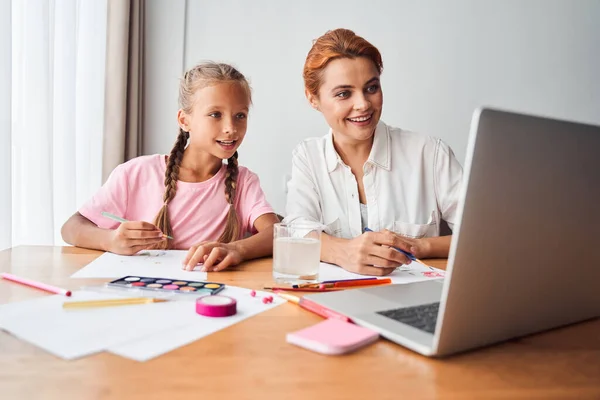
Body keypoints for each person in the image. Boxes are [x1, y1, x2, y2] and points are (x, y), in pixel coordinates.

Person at [61, 61, 279, 272]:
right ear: (184, 120)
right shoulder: (135, 173)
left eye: (240, 115)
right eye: (215, 114)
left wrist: (237, 249)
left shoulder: (244, 182)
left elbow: (277, 233)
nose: (231, 127)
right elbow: (71, 228)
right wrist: (110, 240)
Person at [284, 29, 463, 276]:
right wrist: (343, 252)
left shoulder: (430, 154)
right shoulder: (308, 157)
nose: (363, 104)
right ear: (313, 98)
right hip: (336, 300)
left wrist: (419, 245)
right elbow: (296, 229)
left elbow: (482, 235)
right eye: (344, 93)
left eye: (371, 88)